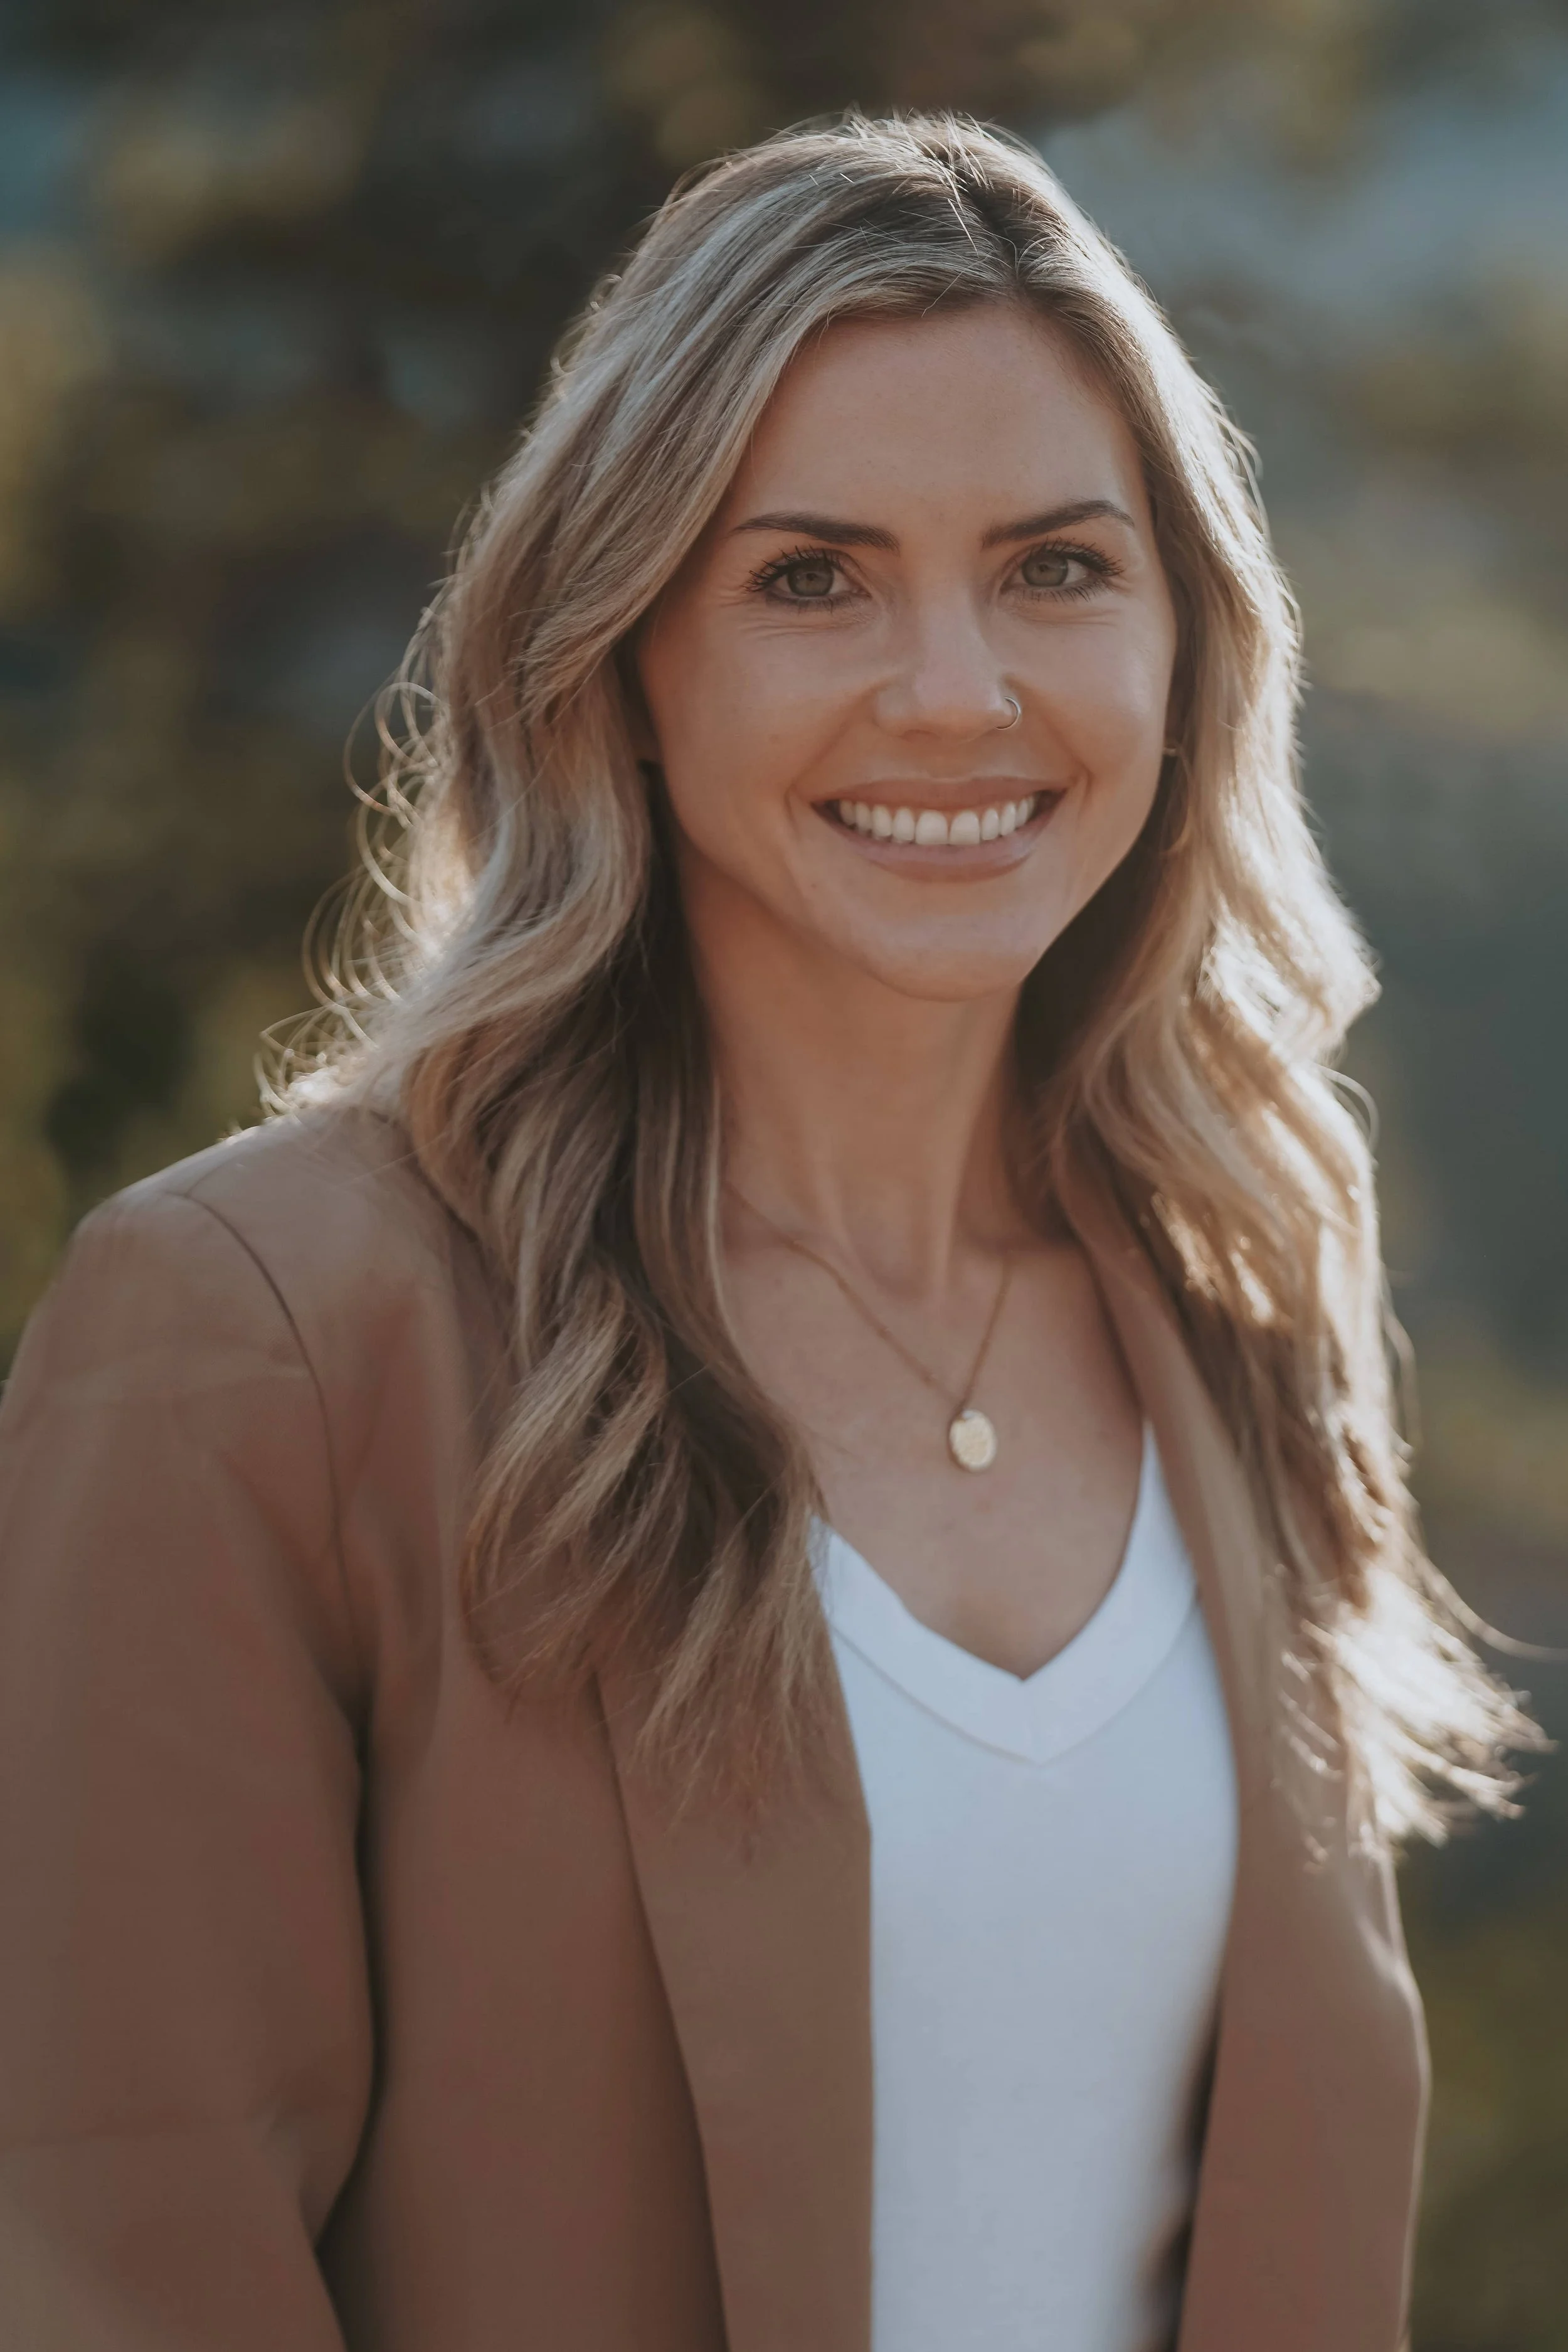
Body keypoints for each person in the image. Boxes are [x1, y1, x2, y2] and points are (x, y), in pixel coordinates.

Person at [0, 112, 1530, 2352]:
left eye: (1055, 568)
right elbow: (104, 2239)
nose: (954, 690)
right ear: (619, 660)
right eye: (810, 575)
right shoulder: (264, 1332)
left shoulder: (1237, 1297)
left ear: (1186, 646)